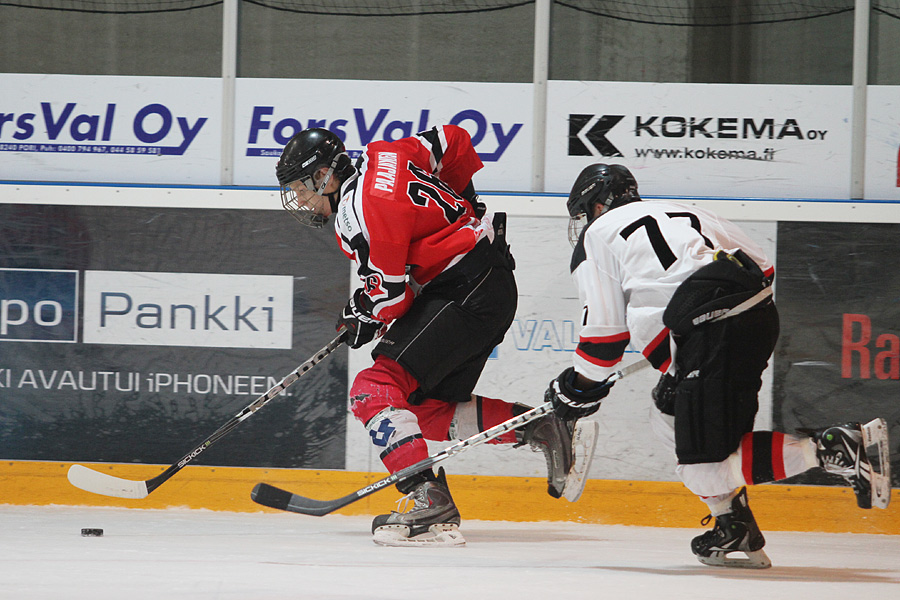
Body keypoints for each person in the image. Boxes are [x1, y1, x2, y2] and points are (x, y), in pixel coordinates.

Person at [545, 163, 891, 568]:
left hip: (710, 336)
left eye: (586, 211)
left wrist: (576, 389)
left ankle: (837, 449)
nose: (585, 220)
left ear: (597, 203)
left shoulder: (597, 235)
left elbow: (604, 340)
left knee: (705, 469)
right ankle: (734, 526)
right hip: (754, 319)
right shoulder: (683, 209)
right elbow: (762, 266)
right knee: (668, 418)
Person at [275, 125, 593, 546]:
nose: (299, 199)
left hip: (464, 290)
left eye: (301, 187)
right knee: (420, 408)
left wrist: (361, 316)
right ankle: (544, 426)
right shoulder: (384, 154)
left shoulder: (359, 211)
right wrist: (467, 206)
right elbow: (454, 141)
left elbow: (391, 296)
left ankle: (426, 495)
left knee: (373, 389)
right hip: (485, 282)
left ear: (324, 176)